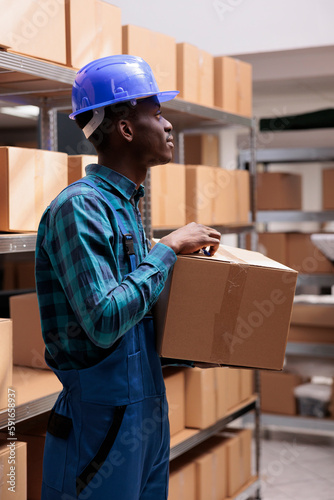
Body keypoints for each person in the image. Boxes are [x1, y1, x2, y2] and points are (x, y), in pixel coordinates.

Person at [35, 55, 221, 500]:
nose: (168, 124)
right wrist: (167, 250)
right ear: (125, 129)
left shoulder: (127, 207)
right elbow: (102, 320)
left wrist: (190, 345)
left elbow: (134, 323)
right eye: (157, 113)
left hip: (146, 413)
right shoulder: (79, 208)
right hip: (99, 424)